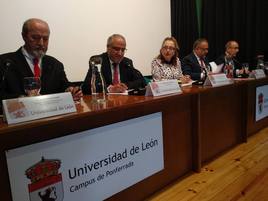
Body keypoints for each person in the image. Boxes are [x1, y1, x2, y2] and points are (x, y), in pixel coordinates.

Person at [0, 18, 82, 104]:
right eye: (35, 38)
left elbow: (64, 85)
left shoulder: (55, 64)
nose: (41, 43)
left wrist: (71, 90)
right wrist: (22, 100)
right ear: (24, 36)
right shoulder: (4, 63)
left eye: (45, 39)